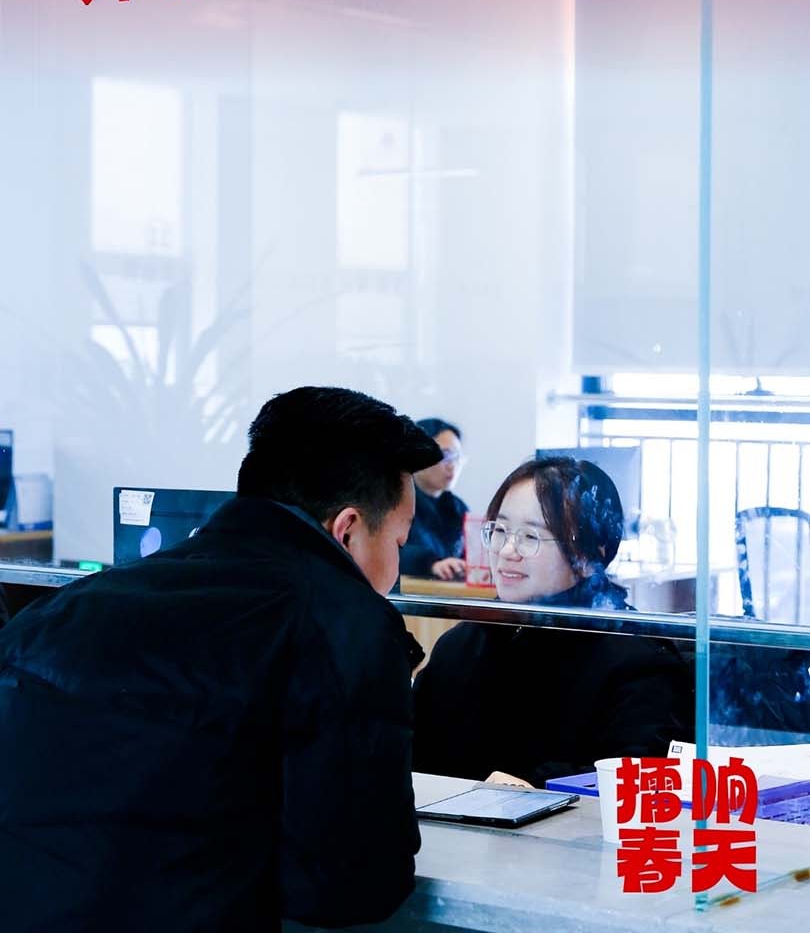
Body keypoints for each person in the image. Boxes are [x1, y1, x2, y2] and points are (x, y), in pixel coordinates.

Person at [0, 386, 441, 933]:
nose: (395, 571)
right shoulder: (344, 625)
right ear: (347, 529)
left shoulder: (63, 611)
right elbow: (352, 886)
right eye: (398, 542)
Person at [413, 454, 694, 786]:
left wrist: (534, 787)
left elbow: (640, 777)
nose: (507, 550)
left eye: (530, 537)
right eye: (500, 530)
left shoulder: (638, 657)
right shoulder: (462, 643)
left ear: (591, 554)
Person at [400, 417, 469, 580]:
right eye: (445, 455)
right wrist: (430, 564)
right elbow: (385, 552)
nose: (452, 465)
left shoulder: (458, 508)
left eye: (457, 457)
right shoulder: (394, 502)